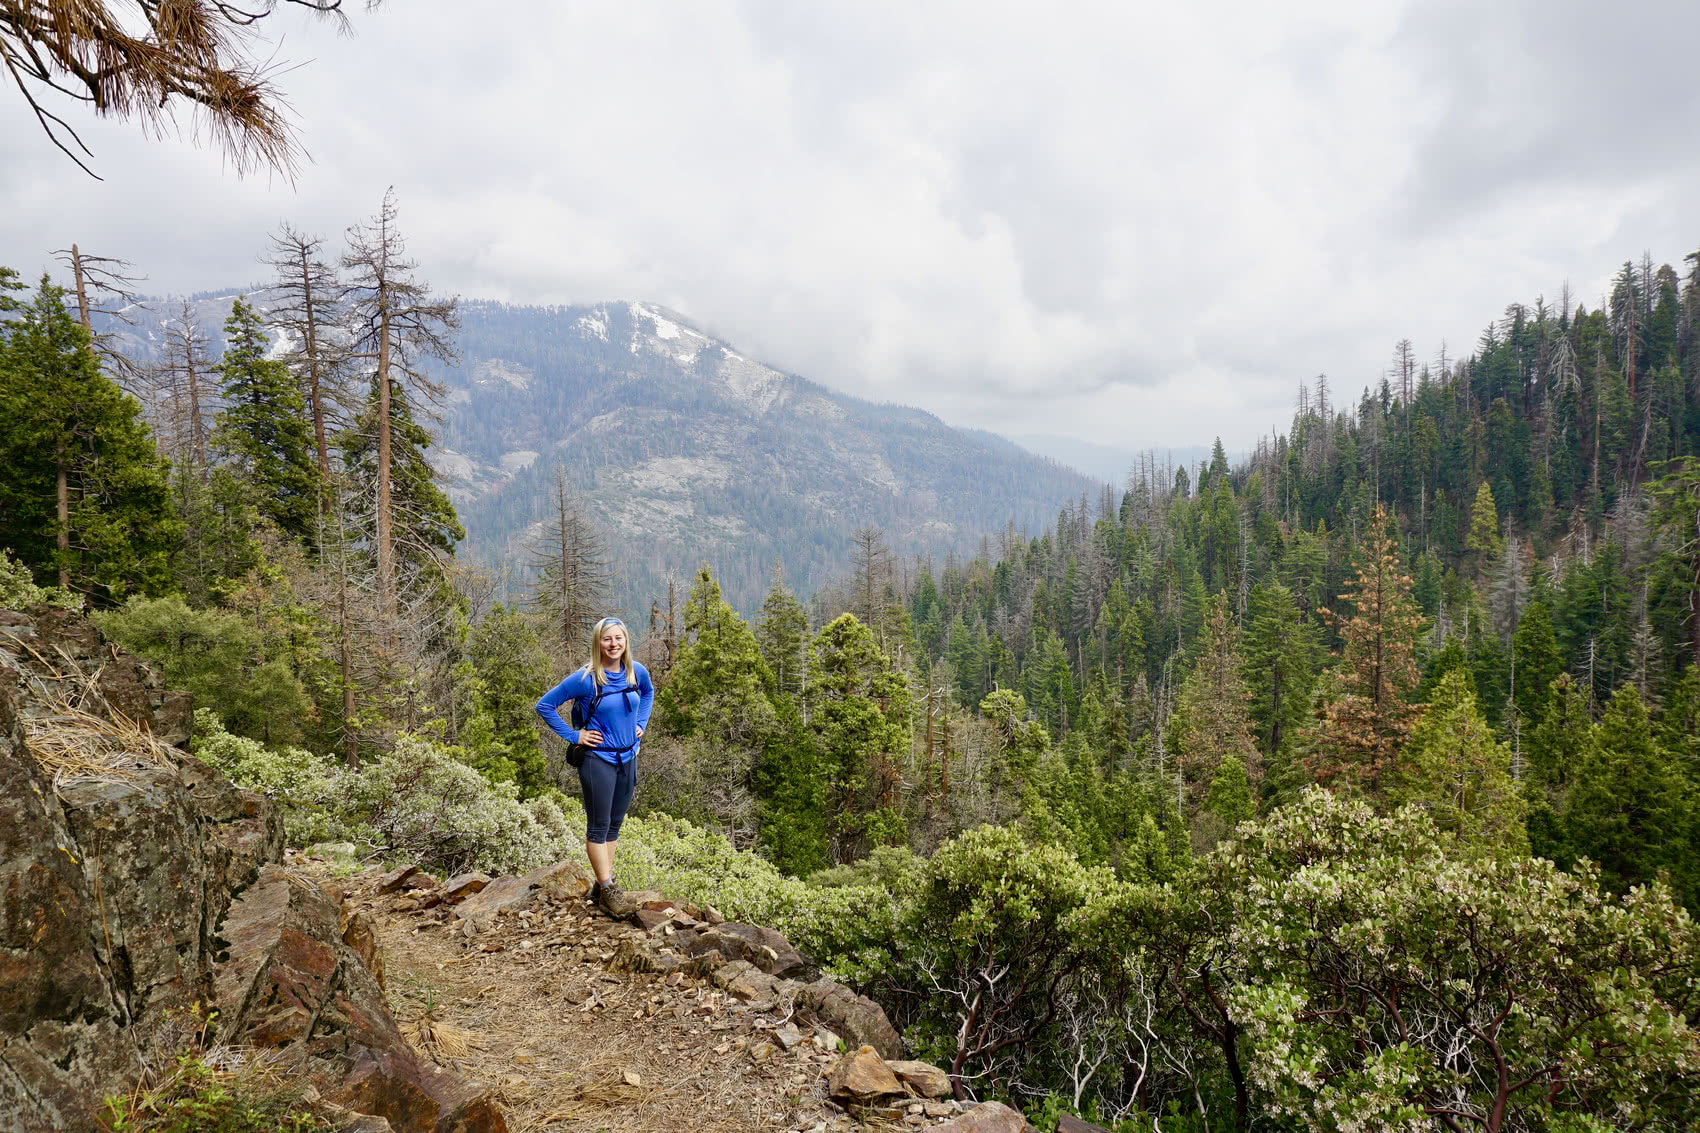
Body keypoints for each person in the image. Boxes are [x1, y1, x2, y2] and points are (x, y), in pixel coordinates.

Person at [536, 616, 654, 917]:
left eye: (618, 638)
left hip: (628, 757)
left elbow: (648, 694)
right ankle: (608, 887)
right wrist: (575, 735)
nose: (613, 644)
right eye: (607, 639)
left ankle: (605, 886)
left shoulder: (635, 671)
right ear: (597, 643)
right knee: (599, 826)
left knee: (615, 824)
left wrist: (641, 723)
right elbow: (545, 705)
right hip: (597, 759)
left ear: (626, 640)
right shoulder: (586, 679)